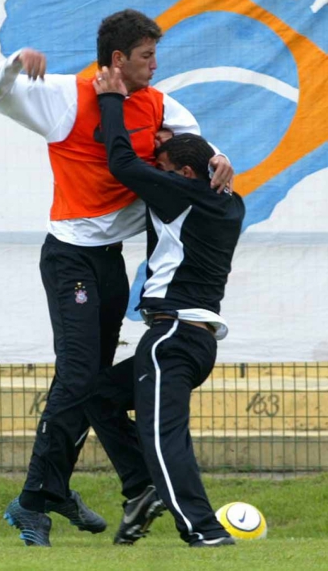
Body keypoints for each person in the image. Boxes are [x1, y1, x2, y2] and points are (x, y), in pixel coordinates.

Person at [0, 9, 234, 547]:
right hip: (69, 257)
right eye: (146, 56)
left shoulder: (160, 103)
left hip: (110, 264)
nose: (154, 65)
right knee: (77, 377)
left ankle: (75, 488)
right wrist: (12, 63)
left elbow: (199, 146)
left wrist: (222, 157)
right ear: (117, 60)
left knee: (90, 385)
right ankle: (34, 502)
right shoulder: (66, 95)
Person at [86, 65, 245, 548]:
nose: (157, 175)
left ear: (188, 175)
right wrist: (200, 148)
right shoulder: (228, 200)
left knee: (163, 436)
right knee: (98, 396)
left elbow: (122, 164)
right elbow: (191, 157)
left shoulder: (183, 194)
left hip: (171, 337)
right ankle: (143, 488)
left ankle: (205, 531)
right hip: (194, 341)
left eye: (166, 169)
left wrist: (112, 101)